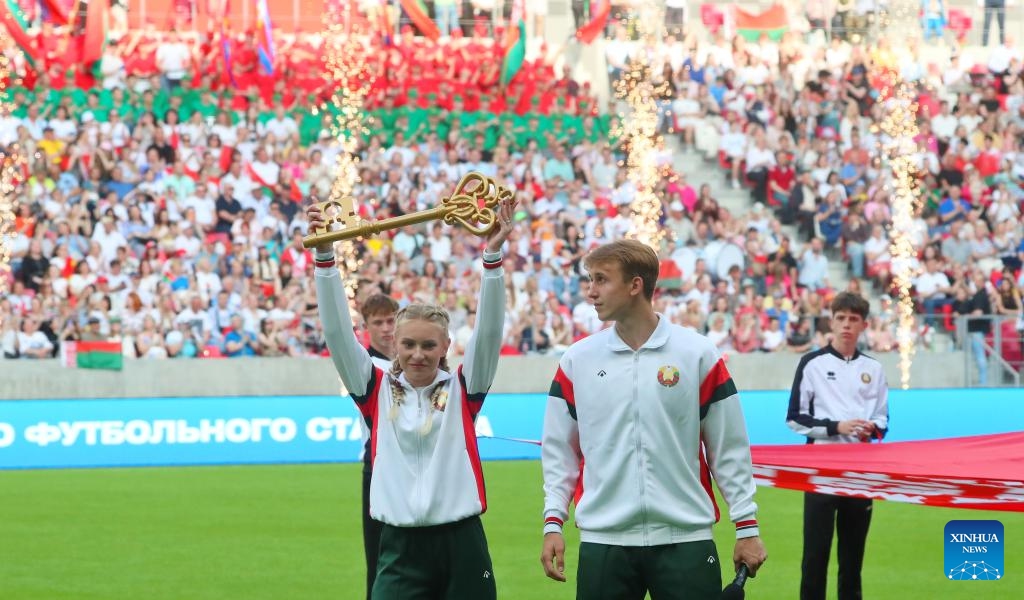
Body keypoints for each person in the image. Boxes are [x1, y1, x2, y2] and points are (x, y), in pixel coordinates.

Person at [309, 195, 516, 600]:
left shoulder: (464, 388)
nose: (417, 354)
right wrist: (325, 259)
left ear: (445, 346)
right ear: (394, 344)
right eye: (408, 344)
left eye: (428, 345)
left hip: (462, 543)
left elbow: (489, 335)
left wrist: (492, 260)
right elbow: (337, 333)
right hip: (400, 547)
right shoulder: (374, 387)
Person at [540, 239, 767, 599]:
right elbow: (558, 452)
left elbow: (730, 449)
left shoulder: (698, 354)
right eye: (590, 280)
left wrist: (747, 526)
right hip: (604, 540)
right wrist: (553, 521)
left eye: (601, 280)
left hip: (685, 539)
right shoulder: (577, 360)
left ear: (635, 285)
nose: (591, 291)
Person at [785, 291, 889, 600]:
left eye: (853, 319)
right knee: (815, 558)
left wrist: (872, 428)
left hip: (860, 471)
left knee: (852, 560)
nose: (846, 325)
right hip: (821, 470)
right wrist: (835, 427)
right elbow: (794, 419)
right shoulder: (812, 363)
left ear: (864, 325)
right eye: (841, 318)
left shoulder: (875, 369)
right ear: (831, 321)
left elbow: (883, 420)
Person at [354, 293, 400, 600]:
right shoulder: (365, 365)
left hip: (414, 466)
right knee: (380, 561)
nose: (386, 328)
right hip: (379, 465)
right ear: (366, 327)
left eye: (391, 320)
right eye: (378, 322)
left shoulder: (412, 359)